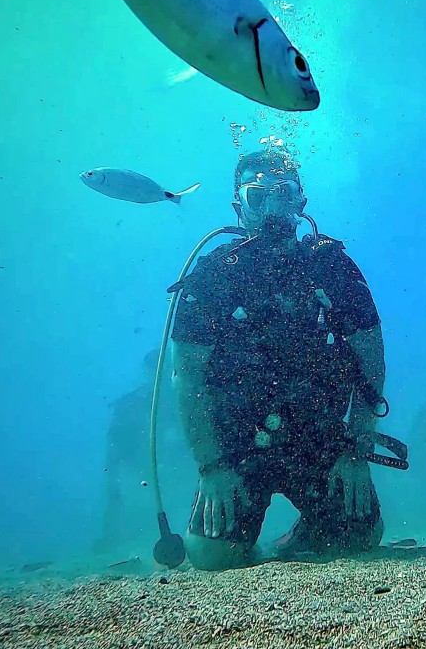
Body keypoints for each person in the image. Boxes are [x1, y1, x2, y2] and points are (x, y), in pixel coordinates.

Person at [170, 147, 388, 570]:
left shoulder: (335, 270)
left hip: (318, 436)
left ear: (301, 202)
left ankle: (304, 534)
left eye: (284, 194)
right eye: (258, 196)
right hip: (239, 446)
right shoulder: (214, 276)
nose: (272, 208)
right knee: (212, 556)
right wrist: (211, 467)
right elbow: (188, 377)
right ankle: (250, 537)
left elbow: (371, 364)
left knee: (362, 537)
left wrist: (356, 453)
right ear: (239, 207)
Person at [95, 350, 158, 552]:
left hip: (168, 473)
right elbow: (114, 453)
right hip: (138, 473)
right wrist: (113, 487)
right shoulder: (129, 405)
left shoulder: (182, 400)